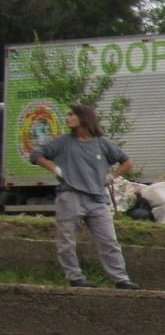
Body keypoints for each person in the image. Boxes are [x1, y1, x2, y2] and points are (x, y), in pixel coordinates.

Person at [28, 103, 140, 290]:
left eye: (72, 114)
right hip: (70, 194)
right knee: (67, 240)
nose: (68, 118)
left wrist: (112, 176)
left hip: (97, 198)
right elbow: (36, 154)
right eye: (68, 114)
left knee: (109, 240)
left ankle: (121, 279)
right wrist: (54, 168)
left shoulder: (102, 143)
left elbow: (127, 161)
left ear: (84, 117)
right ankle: (75, 277)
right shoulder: (63, 142)